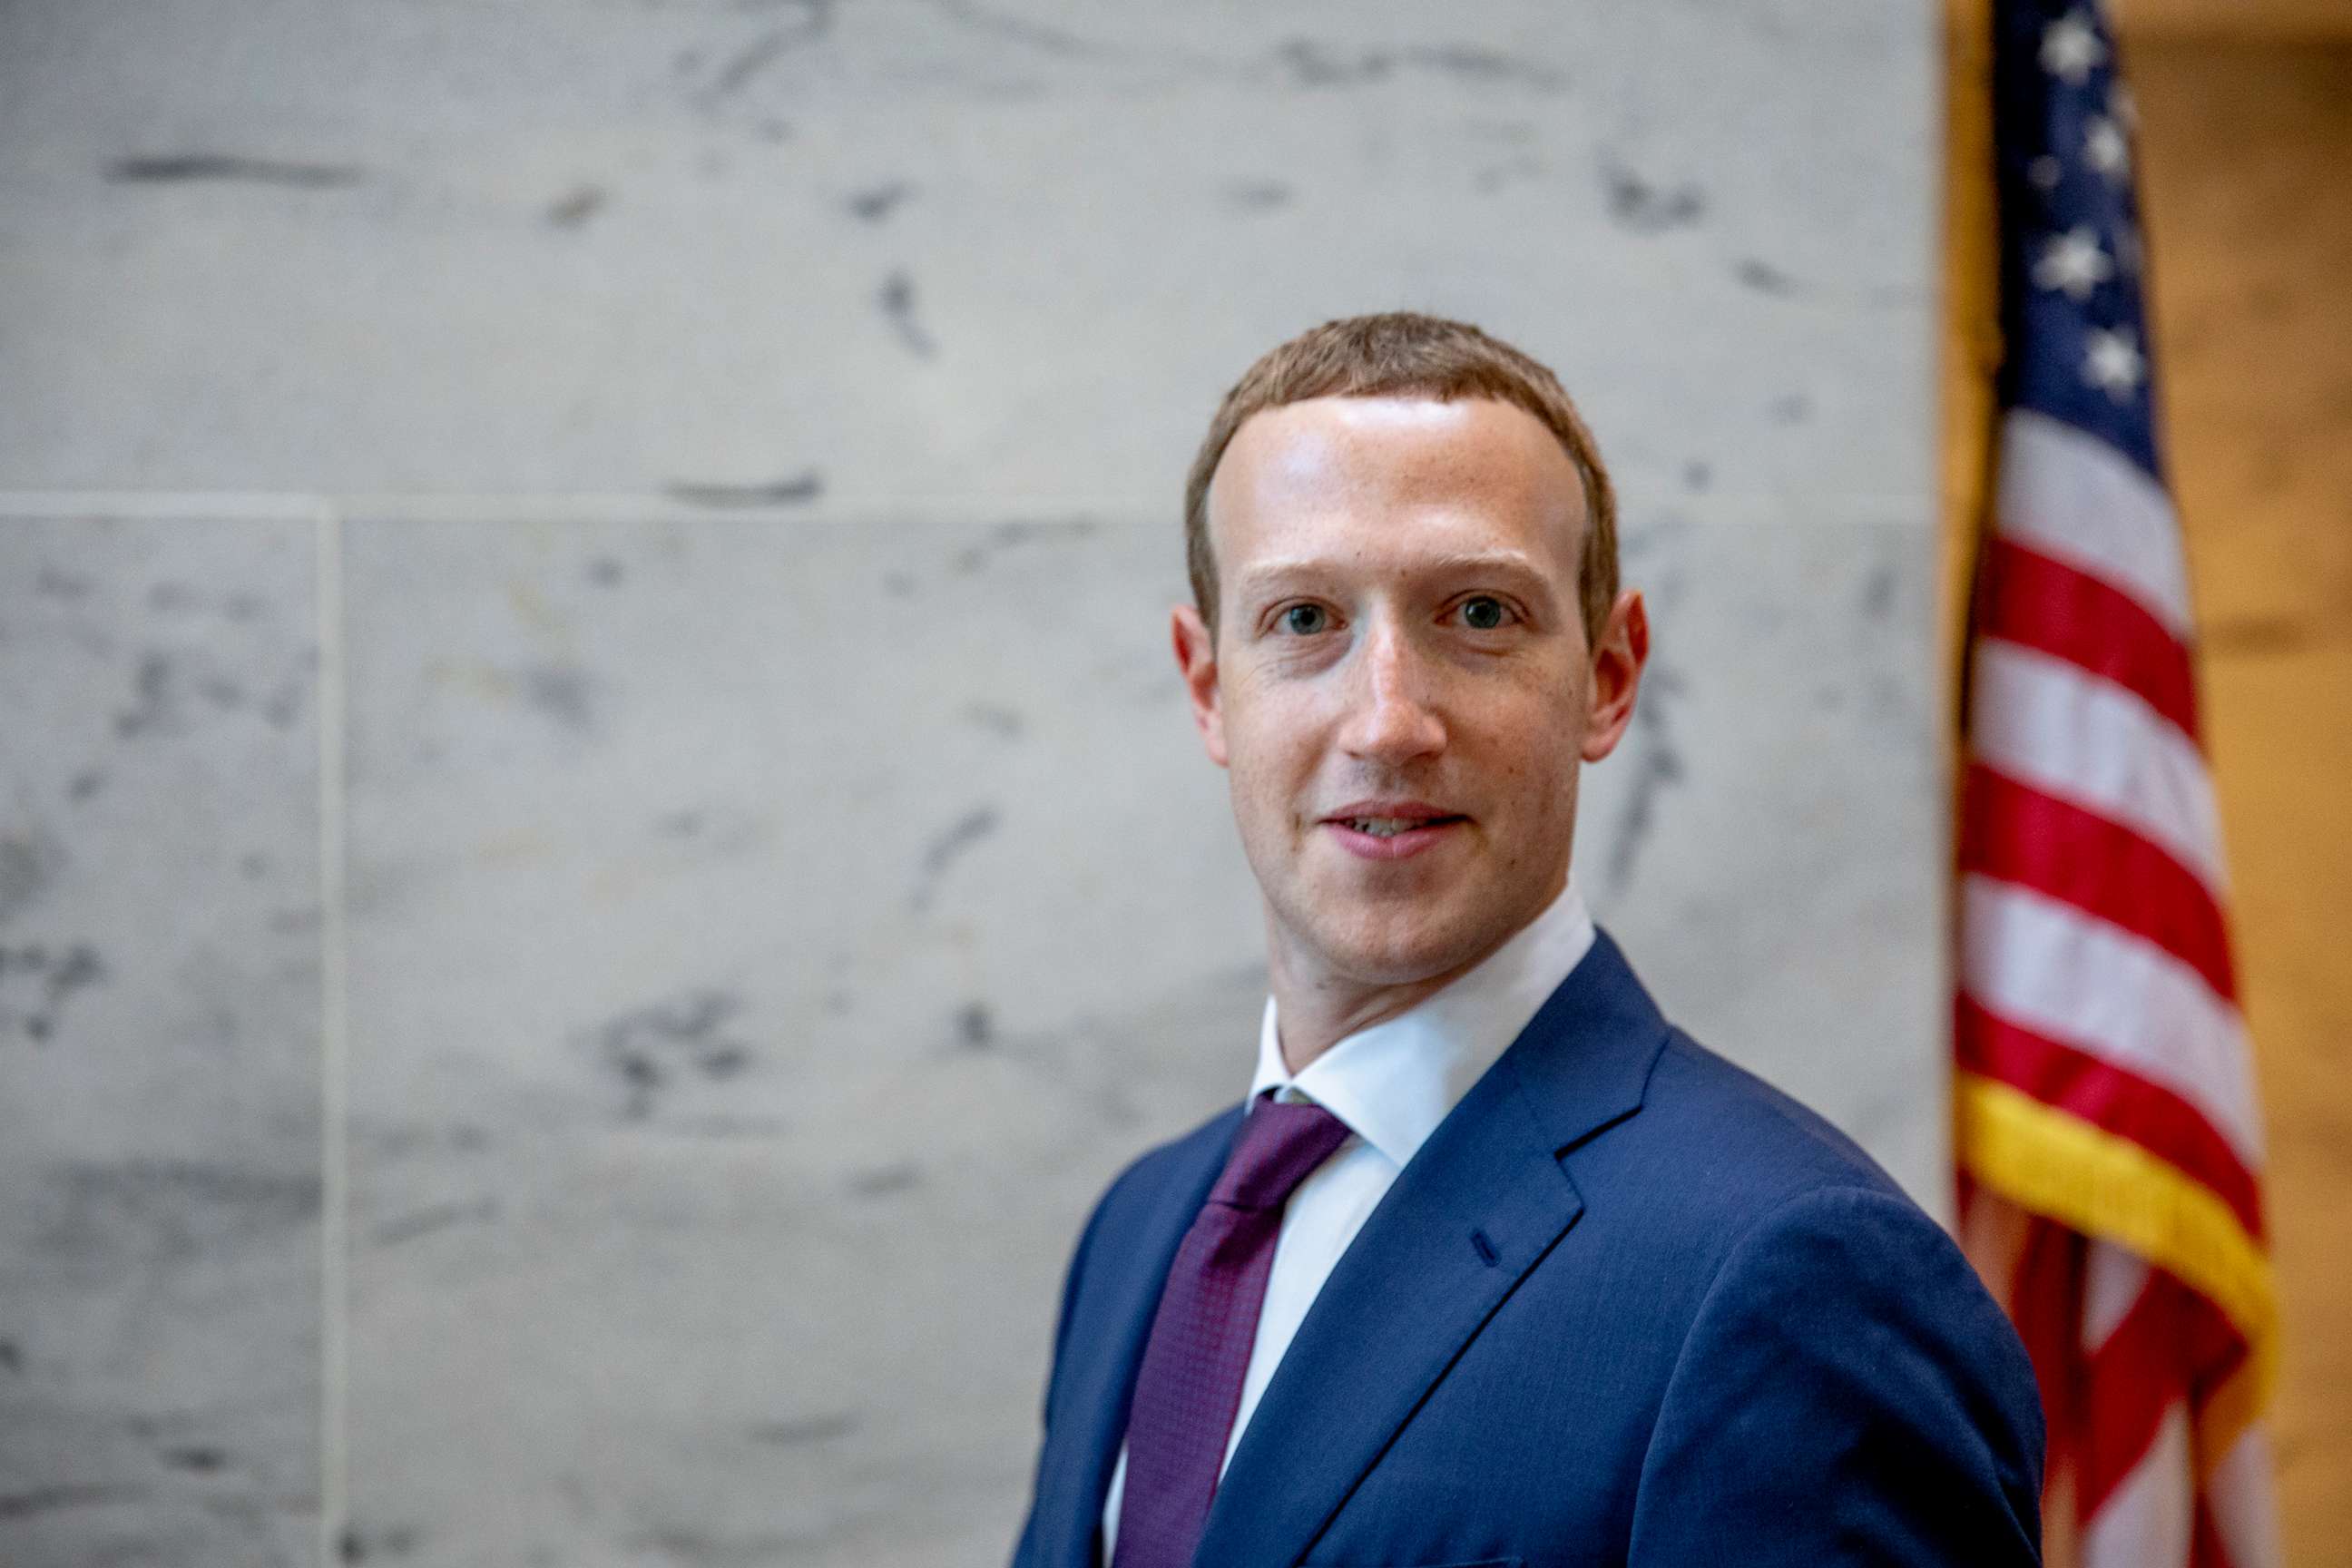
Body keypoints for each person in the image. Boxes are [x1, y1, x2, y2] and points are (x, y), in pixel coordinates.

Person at [1007, 312, 2043, 1568]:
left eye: (1481, 612)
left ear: (1608, 677)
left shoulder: (1795, 1273)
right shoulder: (1143, 1228)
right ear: (1207, 686)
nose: (1388, 722)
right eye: (1302, 621)